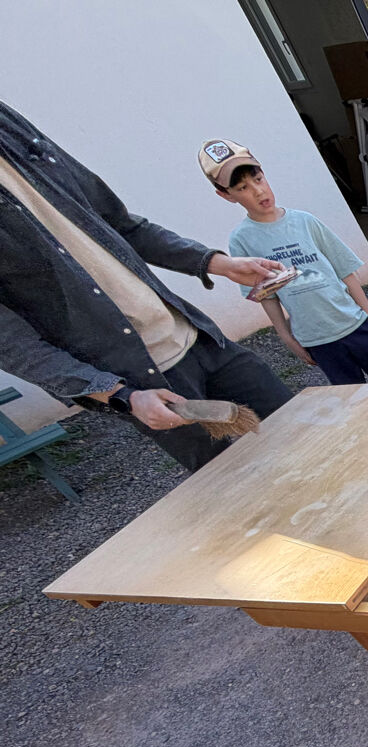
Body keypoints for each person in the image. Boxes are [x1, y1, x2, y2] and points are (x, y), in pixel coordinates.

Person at [0, 102, 295, 472]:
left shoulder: (9, 126)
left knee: (303, 431)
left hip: (197, 337)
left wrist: (219, 263)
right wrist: (120, 395)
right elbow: (13, 345)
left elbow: (122, 225)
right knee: (239, 487)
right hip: (147, 383)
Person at [209, 139, 368, 387]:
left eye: (258, 179)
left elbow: (344, 269)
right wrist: (288, 338)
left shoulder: (305, 221)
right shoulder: (242, 240)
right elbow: (266, 295)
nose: (258, 191)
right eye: (242, 188)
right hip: (318, 340)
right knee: (355, 400)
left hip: (356, 325)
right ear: (226, 195)